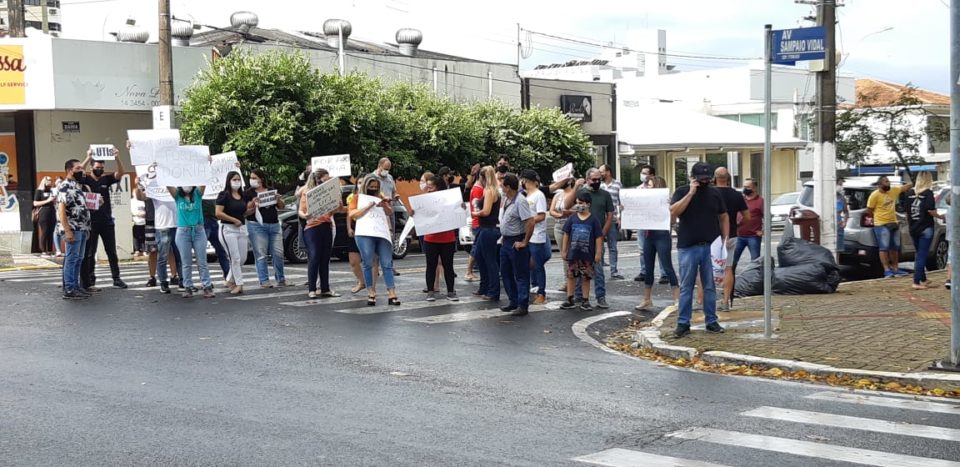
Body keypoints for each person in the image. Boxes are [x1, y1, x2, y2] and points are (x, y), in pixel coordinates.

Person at [670, 162, 728, 338]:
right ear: (693, 177)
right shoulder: (682, 191)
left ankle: (711, 320)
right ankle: (683, 323)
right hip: (688, 246)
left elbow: (723, 216)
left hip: (711, 246)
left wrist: (725, 238)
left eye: (707, 178)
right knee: (687, 286)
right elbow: (674, 212)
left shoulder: (714, 193)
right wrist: (690, 193)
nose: (704, 181)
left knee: (710, 286)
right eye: (701, 178)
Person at [563, 168, 614, 309]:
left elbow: (610, 215)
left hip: (595, 236)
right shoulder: (581, 194)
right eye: (594, 179)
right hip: (578, 242)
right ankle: (577, 296)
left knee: (596, 269)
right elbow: (566, 206)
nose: (597, 181)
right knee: (576, 270)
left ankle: (600, 296)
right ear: (587, 179)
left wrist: (602, 233)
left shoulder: (605, 195)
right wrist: (575, 187)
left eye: (599, 179)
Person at [79, 147, 127, 290]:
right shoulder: (86, 179)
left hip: (106, 221)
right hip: (91, 222)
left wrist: (117, 157)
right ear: (92, 167)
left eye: (101, 167)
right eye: (97, 167)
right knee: (90, 253)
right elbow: (78, 171)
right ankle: (91, 278)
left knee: (111, 251)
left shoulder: (106, 179)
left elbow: (120, 173)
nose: (99, 169)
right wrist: (88, 157)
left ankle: (116, 278)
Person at [350, 175, 400, 306]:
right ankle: (371, 291)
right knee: (368, 262)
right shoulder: (357, 198)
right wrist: (368, 206)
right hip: (365, 233)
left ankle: (392, 293)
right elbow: (353, 215)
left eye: (376, 187)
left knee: (386, 263)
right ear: (365, 187)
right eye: (371, 187)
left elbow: (389, 212)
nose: (373, 189)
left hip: (381, 232)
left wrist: (384, 205)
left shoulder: (381, 197)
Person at [163, 180, 215, 299]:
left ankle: (207, 287)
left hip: (198, 230)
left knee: (202, 261)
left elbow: (204, 179)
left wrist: (207, 164)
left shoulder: (197, 193)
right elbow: (167, 182)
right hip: (183, 232)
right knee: (186, 262)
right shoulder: (177, 195)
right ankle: (188, 287)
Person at [635, 176, 679, 310]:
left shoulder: (666, 201)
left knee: (667, 266)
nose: (647, 187)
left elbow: (672, 221)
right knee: (648, 268)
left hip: (661, 235)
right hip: (649, 235)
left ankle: (677, 298)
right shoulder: (646, 201)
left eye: (649, 185)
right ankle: (647, 299)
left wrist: (670, 207)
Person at [415, 174, 460, 302]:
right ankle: (430, 291)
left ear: (438, 187)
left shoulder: (449, 199)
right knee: (431, 265)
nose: (428, 190)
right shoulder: (424, 200)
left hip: (447, 238)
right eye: (427, 187)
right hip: (430, 238)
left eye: (431, 187)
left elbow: (457, 212)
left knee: (448, 265)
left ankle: (451, 291)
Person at [299, 169, 342, 299]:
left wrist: (337, 204)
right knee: (314, 256)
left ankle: (325, 288)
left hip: (326, 225)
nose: (326, 182)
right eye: (325, 180)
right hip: (312, 227)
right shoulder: (308, 192)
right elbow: (301, 211)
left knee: (325, 258)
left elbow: (334, 211)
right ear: (318, 179)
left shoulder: (329, 193)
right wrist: (305, 216)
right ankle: (312, 288)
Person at [497, 173, 535, 316]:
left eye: (502, 185)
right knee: (505, 272)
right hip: (505, 240)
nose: (501, 187)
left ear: (508, 187)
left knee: (520, 274)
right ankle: (513, 300)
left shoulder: (520, 201)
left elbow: (530, 222)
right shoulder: (506, 198)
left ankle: (522, 304)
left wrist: (525, 241)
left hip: (515, 240)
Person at [559, 191, 604, 311]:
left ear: (588, 204)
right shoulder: (572, 218)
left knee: (586, 277)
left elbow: (599, 237)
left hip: (587, 255)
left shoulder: (593, 220)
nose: (579, 205)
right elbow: (566, 234)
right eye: (577, 203)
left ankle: (585, 300)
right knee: (571, 276)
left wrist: (598, 252)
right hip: (573, 254)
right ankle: (570, 298)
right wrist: (564, 250)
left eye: (581, 203)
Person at [132, 177, 179, 290]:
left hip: (171, 221)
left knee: (172, 250)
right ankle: (152, 276)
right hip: (152, 220)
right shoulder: (150, 184)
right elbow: (140, 196)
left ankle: (174, 275)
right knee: (153, 250)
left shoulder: (171, 182)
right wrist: (138, 185)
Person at [713, 167, 748, 311]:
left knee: (707, 268)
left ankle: (703, 300)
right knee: (728, 269)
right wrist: (738, 225)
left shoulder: (711, 193)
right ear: (728, 178)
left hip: (712, 235)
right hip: (731, 235)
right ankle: (726, 301)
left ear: (714, 178)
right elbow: (748, 217)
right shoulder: (736, 195)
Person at [246, 169, 287, 288]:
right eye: (251, 178)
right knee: (261, 253)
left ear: (261, 179)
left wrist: (278, 198)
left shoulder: (270, 190)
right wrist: (253, 203)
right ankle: (264, 280)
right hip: (257, 226)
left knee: (278, 253)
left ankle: (281, 279)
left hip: (274, 224)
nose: (252, 180)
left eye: (255, 178)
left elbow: (281, 206)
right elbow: (246, 210)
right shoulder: (248, 192)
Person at [57, 159, 91, 300]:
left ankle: (75, 286)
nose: (81, 171)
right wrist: (67, 230)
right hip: (73, 228)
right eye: (78, 168)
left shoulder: (76, 186)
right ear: (70, 170)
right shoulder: (65, 186)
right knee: (72, 259)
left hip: (82, 228)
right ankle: (69, 288)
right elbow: (61, 209)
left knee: (78, 259)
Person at [866, 175, 913, 278]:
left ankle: (895, 268)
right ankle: (886, 269)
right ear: (880, 184)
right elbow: (869, 209)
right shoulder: (875, 195)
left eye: (888, 181)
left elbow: (905, 188)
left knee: (894, 247)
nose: (888, 183)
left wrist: (911, 182)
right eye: (886, 182)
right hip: (881, 224)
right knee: (884, 247)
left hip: (893, 222)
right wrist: (875, 219)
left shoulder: (893, 191)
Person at [216, 171, 253, 295]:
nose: (237, 182)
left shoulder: (242, 196)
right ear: (229, 181)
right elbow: (218, 213)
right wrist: (233, 220)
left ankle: (228, 279)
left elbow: (244, 212)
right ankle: (238, 284)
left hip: (241, 228)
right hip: (228, 229)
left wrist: (253, 208)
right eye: (234, 179)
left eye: (238, 179)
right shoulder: (224, 195)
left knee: (242, 258)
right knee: (235, 258)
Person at [906, 172, 943, 289]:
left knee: (919, 254)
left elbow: (907, 212)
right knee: (922, 255)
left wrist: (910, 225)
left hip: (913, 227)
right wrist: (941, 217)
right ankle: (916, 282)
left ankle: (923, 279)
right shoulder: (928, 193)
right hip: (925, 227)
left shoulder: (909, 193)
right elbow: (930, 210)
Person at [633, 164, 669, 284]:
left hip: (658, 224)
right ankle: (645, 271)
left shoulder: (662, 192)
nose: (643, 176)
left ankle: (664, 273)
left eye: (645, 173)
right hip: (643, 223)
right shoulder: (638, 190)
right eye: (642, 173)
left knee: (661, 250)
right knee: (643, 248)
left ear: (652, 176)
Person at [470, 166, 501, 302]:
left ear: (483, 178)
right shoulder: (493, 190)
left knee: (489, 260)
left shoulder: (489, 191)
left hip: (488, 228)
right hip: (486, 228)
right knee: (480, 257)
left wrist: (476, 213)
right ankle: (484, 287)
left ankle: (493, 291)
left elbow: (486, 211)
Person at [521, 169, 550, 305]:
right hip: (527, 235)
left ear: (526, 180)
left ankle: (541, 293)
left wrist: (529, 220)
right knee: (528, 265)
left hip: (537, 236)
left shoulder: (539, 195)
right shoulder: (527, 196)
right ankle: (530, 290)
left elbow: (541, 215)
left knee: (537, 265)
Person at [599, 164, 624, 280]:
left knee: (612, 246)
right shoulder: (599, 185)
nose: (600, 174)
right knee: (600, 245)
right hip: (600, 219)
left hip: (613, 219)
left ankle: (614, 270)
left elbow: (621, 203)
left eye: (602, 171)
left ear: (608, 172)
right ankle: (599, 269)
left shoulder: (618, 185)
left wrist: (620, 218)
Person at [732, 178, 763, 266]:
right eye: (744, 187)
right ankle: (731, 279)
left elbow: (768, 216)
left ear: (754, 188)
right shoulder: (740, 199)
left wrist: (763, 230)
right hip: (739, 235)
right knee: (732, 261)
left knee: (755, 262)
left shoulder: (760, 201)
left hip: (753, 236)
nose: (745, 189)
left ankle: (755, 279)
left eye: (748, 187)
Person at [202, 193, 230, 284]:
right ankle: (206, 281)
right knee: (201, 254)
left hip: (214, 220)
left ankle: (228, 276)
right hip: (203, 221)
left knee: (222, 250)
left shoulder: (213, 188)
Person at [464, 164, 484, 282]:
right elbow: (477, 207)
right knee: (476, 247)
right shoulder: (478, 189)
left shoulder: (477, 188)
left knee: (478, 247)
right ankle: (469, 271)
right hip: (478, 222)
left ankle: (470, 271)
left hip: (477, 221)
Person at [33, 176, 56, 257]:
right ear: (44, 181)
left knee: (51, 232)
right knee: (45, 231)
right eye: (49, 180)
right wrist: (48, 200)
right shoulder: (39, 191)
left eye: (51, 180)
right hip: (43, 212)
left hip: (52, 211)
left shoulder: (51, 190)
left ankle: (50, 250)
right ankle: (43, 251)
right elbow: (35, 203)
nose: (50, 182)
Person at [130, 189, 146, 257]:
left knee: (144, 236)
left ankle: (144, 250)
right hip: (135, 221)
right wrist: (137, 214)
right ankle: (137, 250)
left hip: (144, 221)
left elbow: (146, 209)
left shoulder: (143, 201)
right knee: (136, 236)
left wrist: (145, 214)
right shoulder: (131, 201)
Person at [836, 177, 849, 259]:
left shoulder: (841, 197)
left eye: (842, 185)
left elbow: (846, 211)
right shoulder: (826, 196)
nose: (841, 187)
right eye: (839, 184)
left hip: (839, 224)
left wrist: (844, 222)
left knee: (838, 249)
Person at [52, 177, 64, 257]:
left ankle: (61, 249)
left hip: (64, 213)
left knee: (63, 231)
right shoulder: (53, 190)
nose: (59, 183)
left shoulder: (65, 190)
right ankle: (58, 250)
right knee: (57, 231)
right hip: (56, 212)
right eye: (58, 181)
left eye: (61, 181)